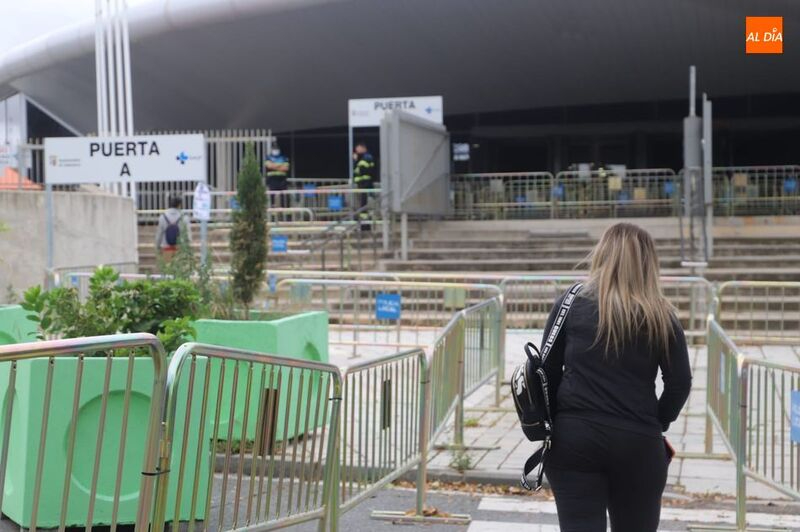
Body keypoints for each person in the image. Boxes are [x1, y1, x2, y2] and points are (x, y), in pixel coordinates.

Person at [541, 222, 691, 532]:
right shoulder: (661, 315)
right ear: (649, 264)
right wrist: (657, 421)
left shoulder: (570, 305)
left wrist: (558, 422)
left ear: (602, 255)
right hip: (637, 439)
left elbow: (547, 372)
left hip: (575, 436)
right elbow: (680, 383)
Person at [155, 194, 192, 263]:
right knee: (180, 271)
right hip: (180, 248)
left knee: (168, 269)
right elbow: (188, 234)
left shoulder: (163, 217)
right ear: (179, 205)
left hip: (166, 247)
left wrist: (157, 247)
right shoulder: (184, 217)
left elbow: (159, 234)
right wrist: (188, 247)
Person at [352, 142, 376, 229]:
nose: (356, 150)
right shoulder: (365, 157)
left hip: (364, 184)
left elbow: (359, 171)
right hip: (364, 184)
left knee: (364, 205)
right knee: (363, 205)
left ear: (363, 148)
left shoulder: (366, 158)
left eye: (357, 148)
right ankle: (364, 224)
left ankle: (365, 225)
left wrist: (355, 161)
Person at [265, 143, 290, 209]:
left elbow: (286, 168)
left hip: (282, 180)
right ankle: (272, 214)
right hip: (272, 180)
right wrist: (280, 165)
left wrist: (274, 165)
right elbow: (269, 166)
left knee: (284, 196)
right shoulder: (268, 157)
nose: (275, 150)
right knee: (272, 197)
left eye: (276, 149)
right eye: (274, 149)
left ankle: (286, 213)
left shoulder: (284, 157)